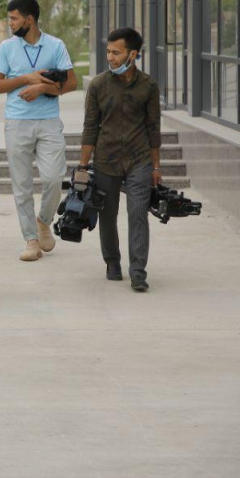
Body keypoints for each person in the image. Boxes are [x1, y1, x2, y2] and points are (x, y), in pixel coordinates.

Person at [0, 0, 77, 262]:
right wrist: (26, 78)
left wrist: (42, 87)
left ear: (29, 19)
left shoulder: (55, 45)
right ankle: (30, 239)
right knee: (22, 185)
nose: (10, 23)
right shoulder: (6, 48)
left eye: (14, 18)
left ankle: (44, 221)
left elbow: (71, 83)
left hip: (49, 121)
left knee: (53, 178)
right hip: (17, 122)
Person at [79, 27, 161, 292]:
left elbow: (153, 128)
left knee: (138, 214)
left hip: (139, 159)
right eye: (108, 52)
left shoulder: (148, 86)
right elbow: (90, 126)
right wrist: (82, 166)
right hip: (106, 160)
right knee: (108, 214)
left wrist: (156, 166)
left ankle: (138, 271)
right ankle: (112, 261)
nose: (110, 57)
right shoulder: (98, 85)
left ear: (133, 54)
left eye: (116, 52)